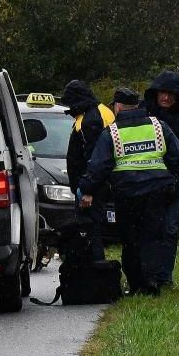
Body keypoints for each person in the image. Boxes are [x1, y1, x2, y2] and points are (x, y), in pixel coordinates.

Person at [77, 88, 179, 296]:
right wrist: (165, 174)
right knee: (153, 237)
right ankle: (152, 283)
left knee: (130, 238)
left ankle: (136, 285)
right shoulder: (159, 126)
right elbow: (176, 156)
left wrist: (86, 188)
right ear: (138, 105)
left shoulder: (112, 132)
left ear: (117, 107)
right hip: (157, 190)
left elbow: (98, 167)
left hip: (127, 193)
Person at [144, 71, 179, 287]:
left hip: (175, 181)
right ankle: (148, 275)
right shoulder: (145, 112)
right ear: (156, 93)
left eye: (171, 94)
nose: (166, 98)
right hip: (148, 181)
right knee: (150, 230)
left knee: (170, 229)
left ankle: (164, 277)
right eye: (162, 93)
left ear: (178, 96)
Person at [56, 79, 113, 263]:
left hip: (92, 187)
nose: (70, 109)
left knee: (90, 232)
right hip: (97, 184)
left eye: (71, 104)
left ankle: (95, 270)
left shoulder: (90, 120)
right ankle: (93, 268)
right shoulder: (100, 112)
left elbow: (93, 160)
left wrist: (88, 190)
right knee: (91, 231)